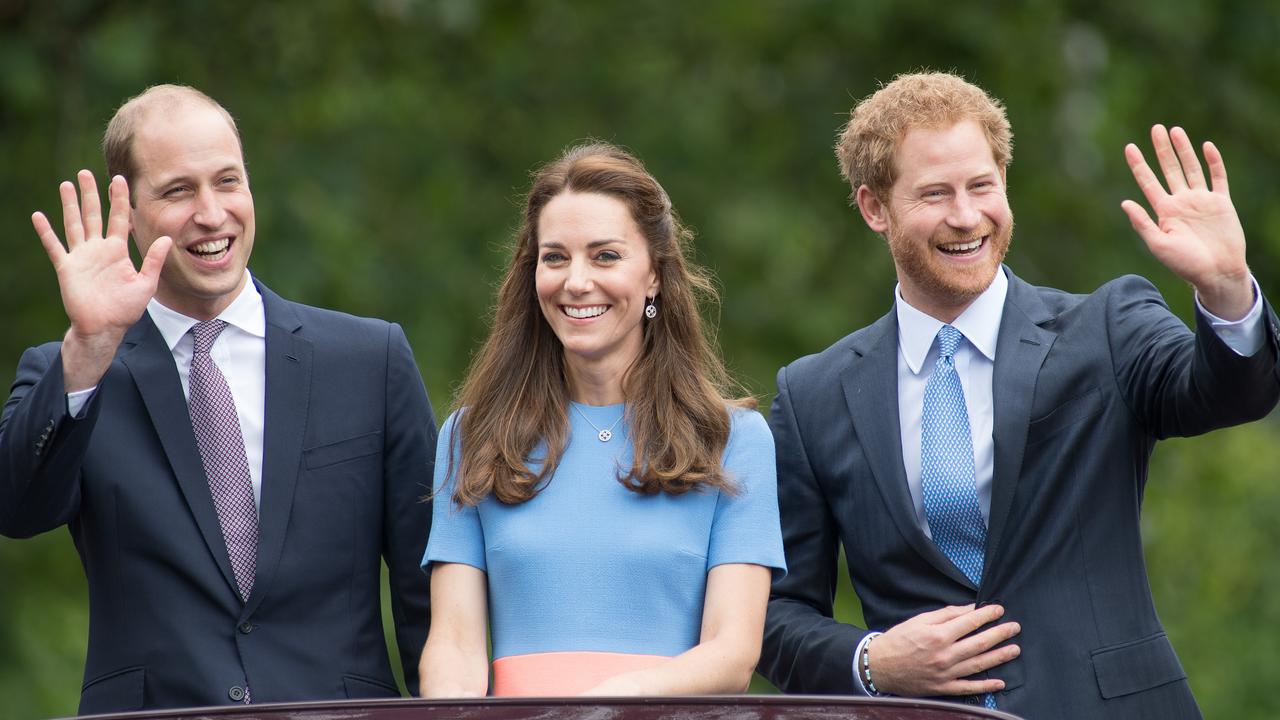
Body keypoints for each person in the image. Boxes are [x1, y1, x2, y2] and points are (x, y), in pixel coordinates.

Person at [757, 72, 1278, 719]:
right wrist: (873, 661)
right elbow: (774, 613)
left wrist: (1228, 292)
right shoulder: (813, 394)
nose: (966, 216)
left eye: (982, 185)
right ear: (873, 208)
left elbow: (1229, 396)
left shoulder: (1108, 326)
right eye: (935, 194)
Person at [0, 85, 436, 713]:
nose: (212, 213)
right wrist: (90, 344)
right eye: (178, 191)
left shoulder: (371, 361)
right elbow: (18, 509)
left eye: (227, 182)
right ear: (128, 212)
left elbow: (428, 592)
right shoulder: (71, 370)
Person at [418, 142, 784, 697]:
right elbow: (454, 644)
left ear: (655, 275)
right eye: (555, 257)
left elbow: (732, 654)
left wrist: (606, 706)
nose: (576, 281)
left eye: (605, 256)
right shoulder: (473, 436)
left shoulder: (733, 441)